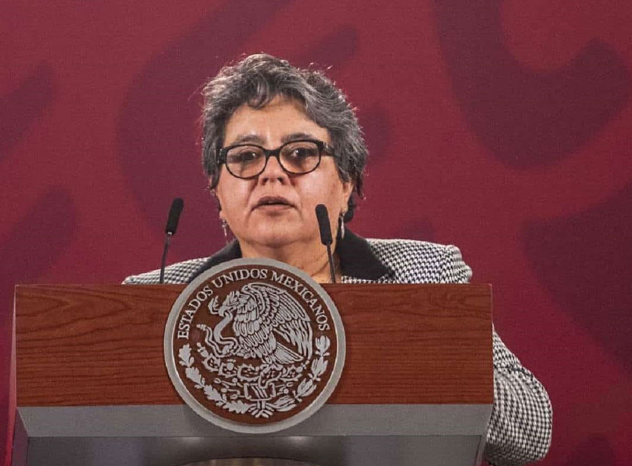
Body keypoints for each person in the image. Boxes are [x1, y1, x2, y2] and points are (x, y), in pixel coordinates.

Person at [124, 53, 552, 466]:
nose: (271, 173)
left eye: (300, 153)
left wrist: (414, 354)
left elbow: (531, 430)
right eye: (246, 157)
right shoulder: (154, 297)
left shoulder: (423, 276)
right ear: (217, 191)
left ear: (347, 182)